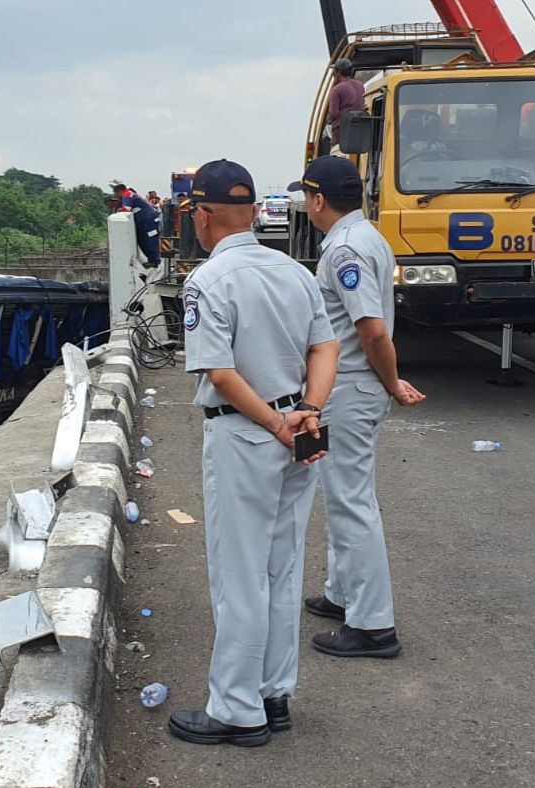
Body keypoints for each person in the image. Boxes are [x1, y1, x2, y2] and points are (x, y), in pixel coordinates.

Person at [169, 159, 338, 747]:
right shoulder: (294, 271)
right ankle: (273, 693)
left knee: (239, 573)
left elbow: (220, 372)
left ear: (205, 215)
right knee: (282, 568)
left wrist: (273, 423)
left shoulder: (208, 282)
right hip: (301, 426)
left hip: (248, 433)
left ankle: (236, 709)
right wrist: (307, 411)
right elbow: (325, 347)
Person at [286, 156, 426, 659]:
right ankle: (343, 594)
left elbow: (371, 329)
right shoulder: (367, 237)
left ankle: (372, 625)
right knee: (343, 494)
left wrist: (390, 381)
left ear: (318, 199)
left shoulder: (343, 249)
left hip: (350, 386)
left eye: (306, 197)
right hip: (355, 385)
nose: (306, 205)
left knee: (350, 502)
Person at [113, 183, 162, 270]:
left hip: (148, 220)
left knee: (150, 239)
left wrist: (118, 210)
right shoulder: (129, 194)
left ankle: (155, 261)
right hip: (144, 220)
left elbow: (126, 209)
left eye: (115, 194)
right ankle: (152, 260)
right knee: (142, 240)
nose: (115, 196)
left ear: (119, 191)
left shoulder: (127, 195)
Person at [326, 58, 364, 155]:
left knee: (335, 152)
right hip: (359, 126)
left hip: (341, 129)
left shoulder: (336, 89)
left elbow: (333, 113)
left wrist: (328, 119)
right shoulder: (360, 86)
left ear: (338, 72)